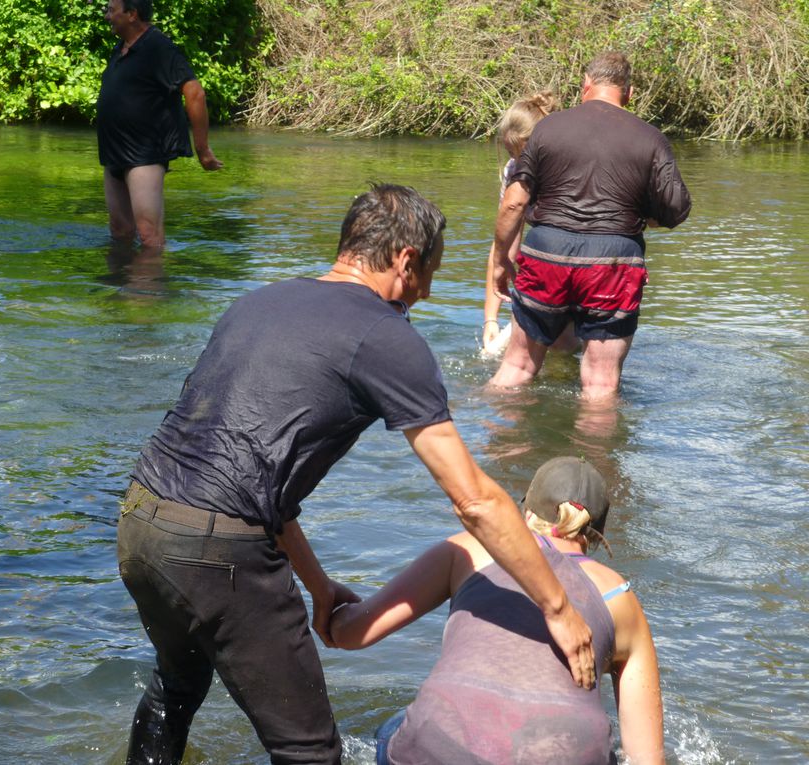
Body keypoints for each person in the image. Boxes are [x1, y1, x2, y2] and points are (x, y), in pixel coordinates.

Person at [117, 184, 598, 765]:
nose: (424, 293)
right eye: (430, 275)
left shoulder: (260, 302)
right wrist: (559, 608)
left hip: (141, 522)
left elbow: (248, 475)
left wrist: (317, 586)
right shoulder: (388, 336)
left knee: (176, 686)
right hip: (218, 551)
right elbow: (474, 500)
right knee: (310, 752)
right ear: (405, 261)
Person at [331, 456, 665, 765]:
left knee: (394, 726)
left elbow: (352, 633)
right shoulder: (622, 597)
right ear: (595, 538)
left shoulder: (471, 547)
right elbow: (647, 758)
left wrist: (324, 599)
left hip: (438, 751)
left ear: (528, 515)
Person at [489, 51, 691, 399]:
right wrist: (638, 217)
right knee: (601, 383)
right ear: (629, 94)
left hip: (546, 252)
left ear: (585, 86)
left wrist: (500, 264)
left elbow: (514, 202)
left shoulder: (548, 127)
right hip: (613, 262)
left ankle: (494, 448)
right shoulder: (651, 138)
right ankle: (594, 455)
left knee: (516, 368)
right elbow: (676, 210)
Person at [96, 0, 223, 248]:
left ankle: (150, 286)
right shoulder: (120, 47)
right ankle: (122, 284)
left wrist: (203, 149)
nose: (107, 16)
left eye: (112, 10)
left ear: (132, 14)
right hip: (113, 152)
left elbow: (195, 92)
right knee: (120, 231)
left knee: (148, 234)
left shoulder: (159, 47)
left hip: (145, 153)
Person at [482, 91, 559, 355]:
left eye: (523, 153)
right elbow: (503, 244)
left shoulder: (566, 167)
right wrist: (490, 319)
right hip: (546, 264)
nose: (518, 162)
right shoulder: (513, 170)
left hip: (569, 263)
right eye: (510, 152)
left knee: (563, 348)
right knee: (492, 353)